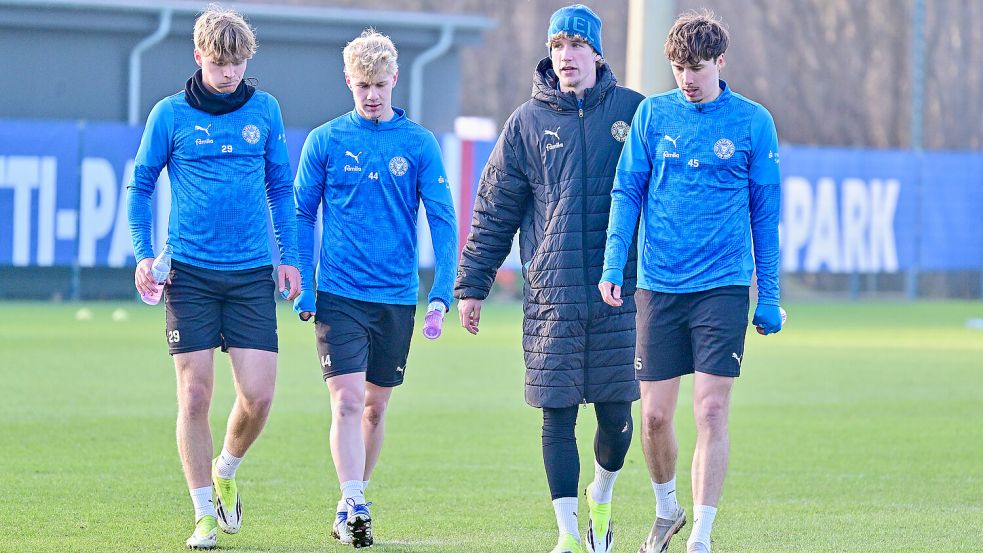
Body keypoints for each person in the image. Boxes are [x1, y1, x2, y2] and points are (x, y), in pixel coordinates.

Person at [454, 5, 643, 553]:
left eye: (575, 46)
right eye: (557, 46)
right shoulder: (527, 123)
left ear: (596, 54)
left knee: (616, 418)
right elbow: (494, 210)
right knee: (556, 415)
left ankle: (601, 498)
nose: (565, 56)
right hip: (552, 297)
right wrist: (472, 284)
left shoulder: (634, 113)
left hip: (619, 294)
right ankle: (565, 533)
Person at [599, 10, 784, 553]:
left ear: (720, 62)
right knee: (654, 417)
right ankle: (667, 510)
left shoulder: (753, 122)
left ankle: (701, 534)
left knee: (710, 409)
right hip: (658, 285)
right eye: (679, 67)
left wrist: (768, 293)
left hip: (723, 285)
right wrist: (615, 264)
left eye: (697, 67)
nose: (687, 78)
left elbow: (764, 215)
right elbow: (626, 192)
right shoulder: (653, 116)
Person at [127, 4, 300, 550]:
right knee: (195, 395)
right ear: (199, 55)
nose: (229, 73)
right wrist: (143, 253)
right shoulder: (170, 115)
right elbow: (140, 185)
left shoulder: (265, 110)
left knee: (258, 398)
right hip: (190, 275)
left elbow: (280, 188)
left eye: (238, 63)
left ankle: (226, 468)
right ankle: (203, 514)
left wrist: (288, 256)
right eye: (220, 62)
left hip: (251, 273)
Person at [292, 29, 458, 549]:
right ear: (348, 81)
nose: (371, 95)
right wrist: (304, 282)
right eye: (362, 85)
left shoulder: (418, 143)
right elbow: (301, 213)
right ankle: (356, 501)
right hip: (339, 294)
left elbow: (444, 219)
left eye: (380, 85)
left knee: (375, 407)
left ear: (395, 80)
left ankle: (350, 500)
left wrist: (442, 291)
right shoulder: (325, 140)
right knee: (345, 400)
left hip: (395, 297)